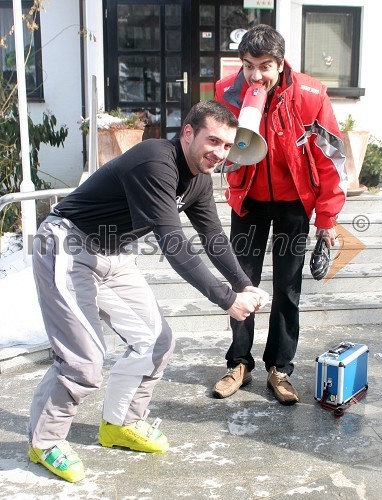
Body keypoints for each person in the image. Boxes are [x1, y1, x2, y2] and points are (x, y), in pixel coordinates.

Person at [28, 100, 269, 483]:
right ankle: (45, 442)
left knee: (157, 341)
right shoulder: (155, 161)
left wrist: (243, 283)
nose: (220, 153)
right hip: (68, 244)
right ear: (188, 133)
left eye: (227, 145)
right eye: (212, 141)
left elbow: (212, 237)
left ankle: (121, 423)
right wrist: (226, 299)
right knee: (84, 360)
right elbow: (173, 242)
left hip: (114, 253)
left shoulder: (200, 179)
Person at [213, 25, 347, 405]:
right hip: (249, 200)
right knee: (243, 282)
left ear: (280, 63)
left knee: (288, 287)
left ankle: (280, 368)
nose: (255, 76)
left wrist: (326, 218)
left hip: (294, 203)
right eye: (249, 65)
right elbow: (215, 141)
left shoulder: (310, 94)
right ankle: (239, 362)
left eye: (265, 66)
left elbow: (329, 159)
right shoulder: (226, 90)